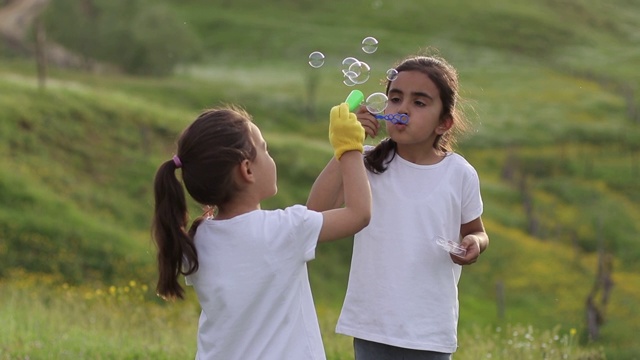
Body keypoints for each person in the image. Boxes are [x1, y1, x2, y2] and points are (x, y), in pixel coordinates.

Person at [151, 103, 371, 360]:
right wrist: (351, 149)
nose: (270, 155)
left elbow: (316, 212)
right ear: (247, 169)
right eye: (265, 149)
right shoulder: (284, 230)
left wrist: (341, 153)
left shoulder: (197, 238)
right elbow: (359, 214)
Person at [307, 54, 490, 360]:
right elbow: (314, 214)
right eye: (395, 98)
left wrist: (474, 244)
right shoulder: (365, 161)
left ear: (444, 122)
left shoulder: (459, 173)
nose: (402, 108)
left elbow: (476, 231)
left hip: (429, 330)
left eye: (419, 103)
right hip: (373, 324)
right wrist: (346, 147)